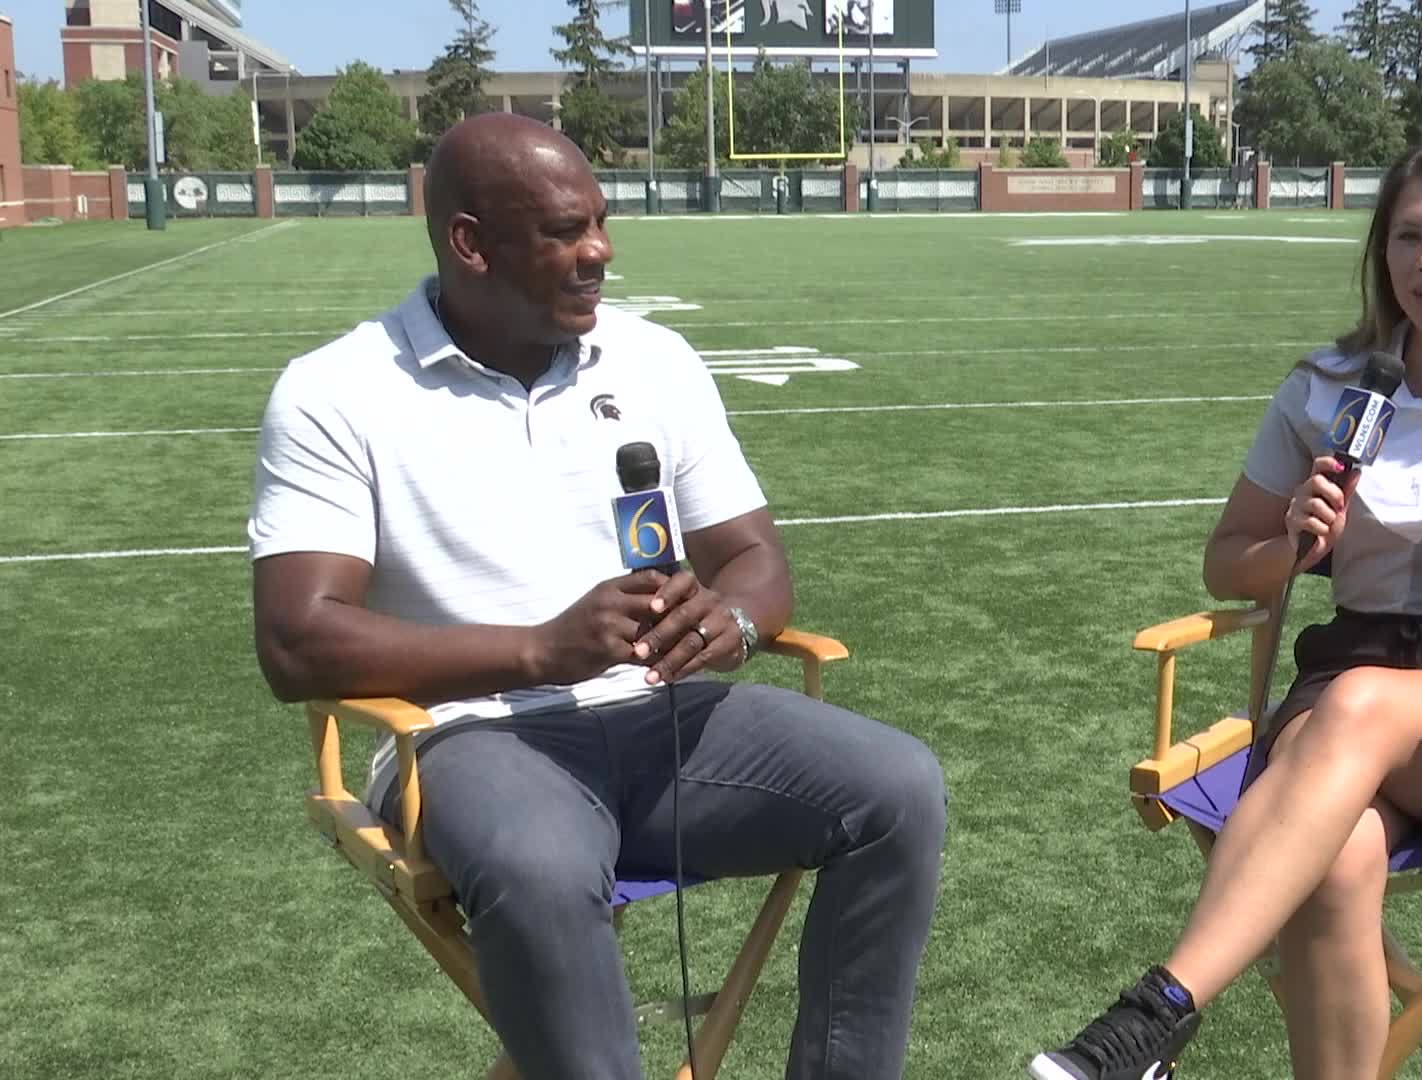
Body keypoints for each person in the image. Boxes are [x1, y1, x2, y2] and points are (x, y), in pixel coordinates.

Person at [248, 113, 945, 1080]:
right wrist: (539, 649)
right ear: (470, 243)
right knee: (540, 864)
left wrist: (734, 620)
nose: (599, 251)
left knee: (898, 790)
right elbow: (296, 643)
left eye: (600, 222)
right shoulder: (337, 391)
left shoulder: (654, 359)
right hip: (465, 738)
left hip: (661, 719)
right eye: (564, 231)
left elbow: (755, 559)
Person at [1029, 136, 1422, 1080]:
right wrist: (1294, 540)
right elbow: (1226, 565)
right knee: (1337, 856)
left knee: (1358, 706)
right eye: (1407, 237)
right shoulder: (1330, 389)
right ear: (1381, 251)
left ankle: (1152, 1019)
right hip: (1338, 685)